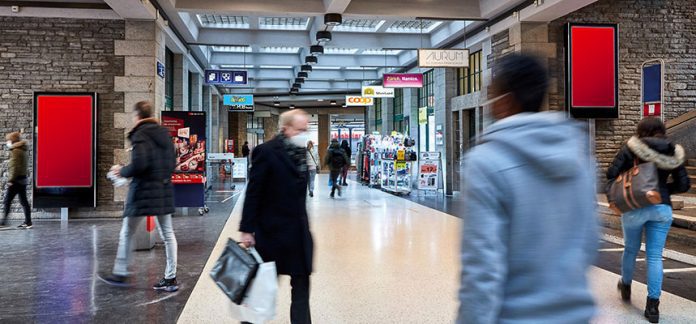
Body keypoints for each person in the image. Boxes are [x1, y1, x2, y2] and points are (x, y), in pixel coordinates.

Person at [457, 54, 598, 324]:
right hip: (576, 315)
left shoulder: (485, 162)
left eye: (492, 95)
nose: (489, 105)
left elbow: (481, 267)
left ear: (506, 100)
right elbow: (589, 241)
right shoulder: (580, 155)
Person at [607, 117, 690, 323]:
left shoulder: (632, 147)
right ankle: (653, 307)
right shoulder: (674, 150)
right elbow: (683, 184)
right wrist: (662, 190)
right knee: (654, 257)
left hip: (635, 206)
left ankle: (626, 285)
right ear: (662, 130)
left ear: (641, 131)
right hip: (662, 208)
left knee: (630, 249)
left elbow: (611, 173)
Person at [239, 109, 313, 324]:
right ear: (286, 129)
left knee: (301, 292)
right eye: (300, 129)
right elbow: (254, 192)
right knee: (263, 290)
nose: (303, 133)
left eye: (305, 129)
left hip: (299, 236)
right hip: (272, 235)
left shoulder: (301, 153)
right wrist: (247, 228)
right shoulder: (266, 151)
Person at [103, 101, 180, 292]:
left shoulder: (140, 135)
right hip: (163, 190)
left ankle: (120, 273)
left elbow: (139, 164)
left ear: (137, 115)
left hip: (143, 191)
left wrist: (122, 170)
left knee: (127, 231)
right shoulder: (164, 134)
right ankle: (170, 278)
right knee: (168, 234)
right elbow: (172, 163)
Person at [1, 132, 31, 229]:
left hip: (16, 180)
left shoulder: (16, 151)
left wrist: (11, 180)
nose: (7, 142)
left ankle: (3, 223)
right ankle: (28, 222)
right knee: (24, 201)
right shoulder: (23, 150)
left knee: (7, 201)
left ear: (13, 140)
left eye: (8, 140)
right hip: (23, 179)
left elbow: (15, 167)